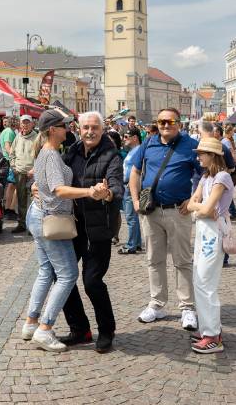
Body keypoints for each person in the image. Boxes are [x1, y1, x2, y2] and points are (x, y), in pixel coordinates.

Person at [19, 110, 90, 353]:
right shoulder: (50, 155)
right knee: (68, 274)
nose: (67, 129)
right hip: (50, 219)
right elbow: (59, 189)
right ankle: (45, 328)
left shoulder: (47, 152)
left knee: (46, 271)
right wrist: (89, 192)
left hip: (39, 214)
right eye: (63, 126)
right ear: (52, 130)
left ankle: (31, 322)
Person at [57, 111, 124, 354]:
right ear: (79, 127)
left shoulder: (111, 155)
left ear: (102, 129)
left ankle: (106, 331)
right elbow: (58, 178)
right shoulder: (72, 151)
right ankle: (80, 329)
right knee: (62, 277)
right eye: (85, 127)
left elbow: (116, 187)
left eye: (94, 127)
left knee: (92, 281)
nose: (89, 132)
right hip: (73, 226)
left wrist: (105, 193)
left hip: (99, 228)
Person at [129, 107, 200, 331]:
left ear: (179, 123)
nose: (165, 125)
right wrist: (135, 200)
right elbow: (135, 171)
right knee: (154, 259)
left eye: (170, 122)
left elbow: (204, 174)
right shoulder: (148, 143)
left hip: (178, 211)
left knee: (182, 260)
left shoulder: (189, 145)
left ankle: (187, 307)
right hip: (151, 211)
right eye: (161, 122)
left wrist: (193, 200)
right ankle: (157, 304)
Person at [185, 136, 234, 354]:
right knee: (199, 281)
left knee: (206, 284)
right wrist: (200, 206)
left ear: (212, 155)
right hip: (204, 231)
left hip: (213, 232)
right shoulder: (207, 177)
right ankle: (208, 329)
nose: (198, 157)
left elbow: (203, 209)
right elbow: (191, 204)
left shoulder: (222, 177)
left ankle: (213, 335)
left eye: (201, 154)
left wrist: (199, 206)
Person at [9, 115, 37, 234]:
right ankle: (21, 223)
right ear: (20, 124)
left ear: (32, 124)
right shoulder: (17, 137)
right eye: (23, 123)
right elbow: (12, 154)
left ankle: (33, 225)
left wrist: (35, 169)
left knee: (34, 200)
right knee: (21, 199)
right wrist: (14, 166)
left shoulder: (37, 137)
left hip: (32, 174)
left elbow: (41, 155)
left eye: (27, 123)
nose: (25, 125)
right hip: (19, 172)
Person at [118, 128, 143, 255]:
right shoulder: (133, 151)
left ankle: (131, 244)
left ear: (135, 138)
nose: (124, 139)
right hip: (128, 185)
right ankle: (136, 243)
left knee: (131, 217)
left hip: (130, 186)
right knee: (133, 217)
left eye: (126, 136)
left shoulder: (138, 150)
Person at [0, 117, 18, 220]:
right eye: (16, 121)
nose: (18, 123)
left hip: (7, 160)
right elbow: (7, 146)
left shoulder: (6, 131)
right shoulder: (10, 132)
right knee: (14, 186)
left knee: (11, 186)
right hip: (10, 161)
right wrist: (15, 159)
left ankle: (8, 209)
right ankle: (9, 209)